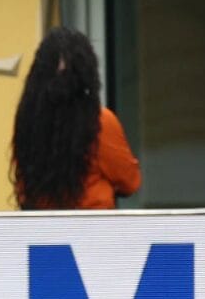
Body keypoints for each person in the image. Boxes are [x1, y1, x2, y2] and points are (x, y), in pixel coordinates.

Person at [12, 27, 141, 209]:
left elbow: (24, 190)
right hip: (94, 230)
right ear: (86, 75)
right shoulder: (100, 121)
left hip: (43, 231)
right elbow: (130, 182)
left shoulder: (29, 120)